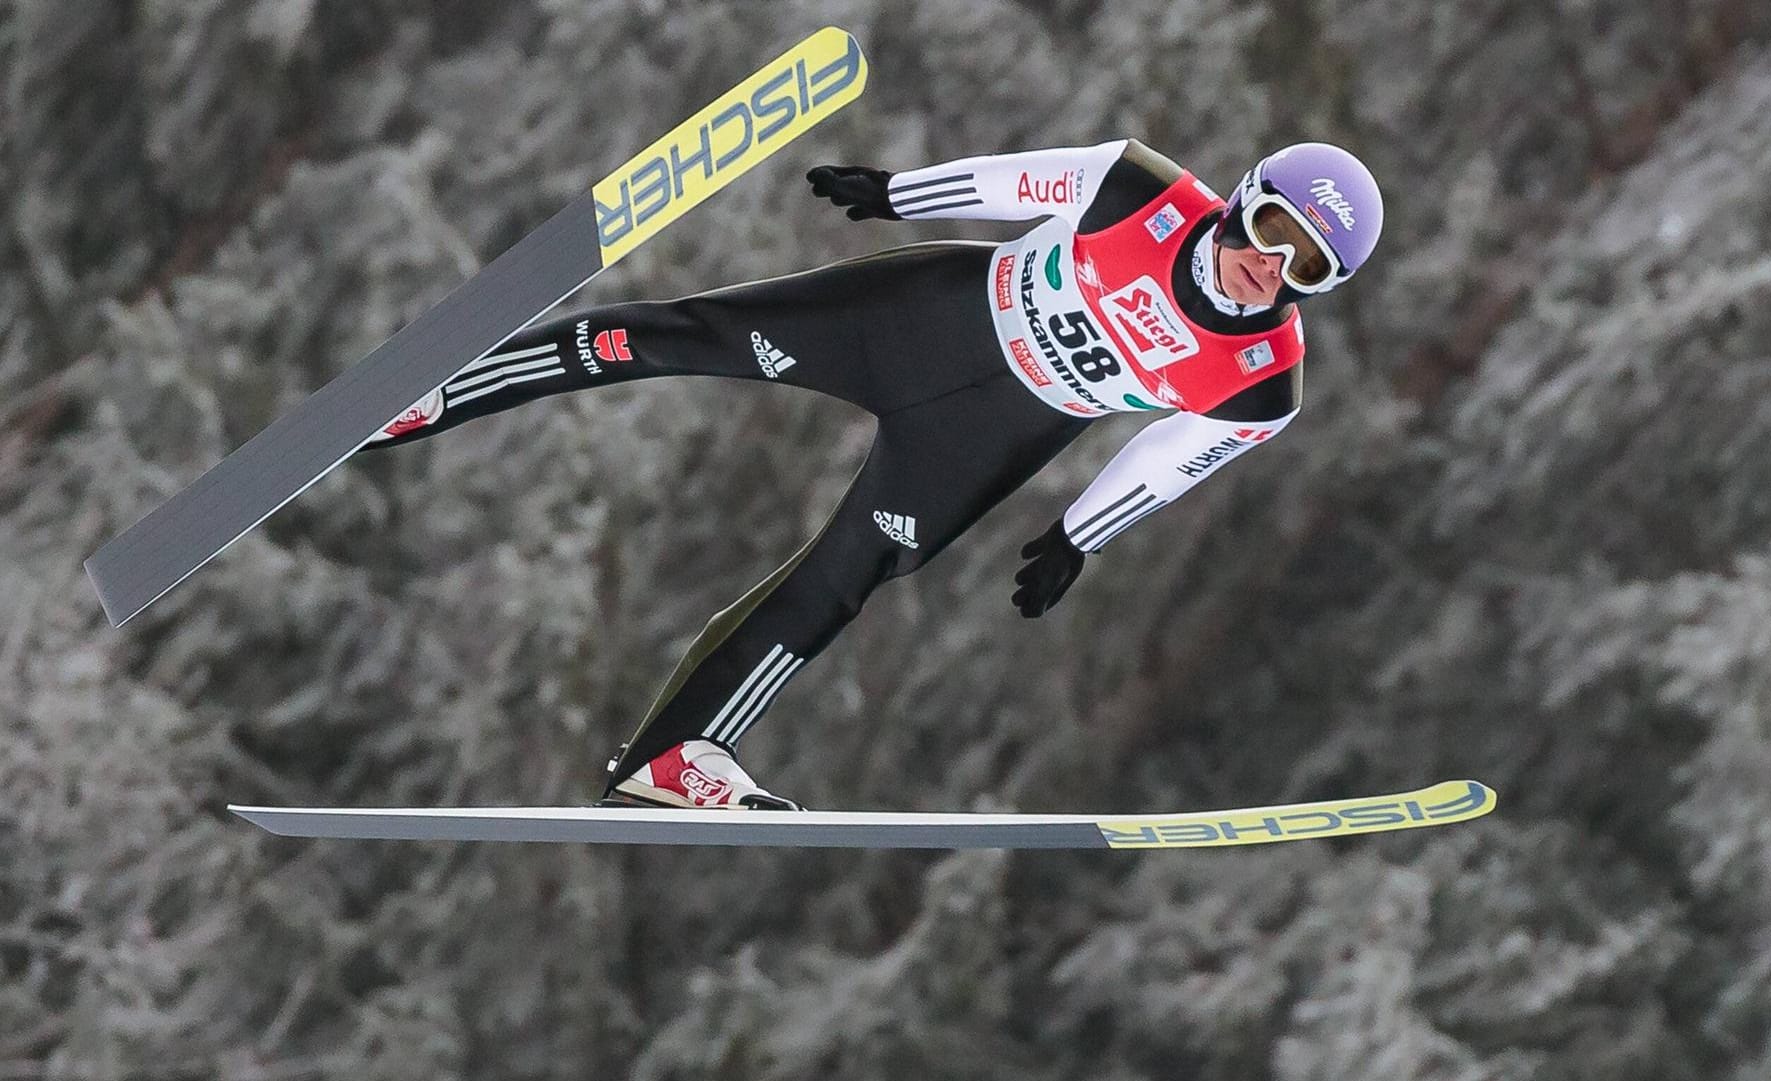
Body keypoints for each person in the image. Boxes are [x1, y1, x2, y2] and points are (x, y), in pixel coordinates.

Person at [360, 139, 1384, 810]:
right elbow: (1023, 184)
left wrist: (1081, 533)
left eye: (1306, 267)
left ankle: (674, 758)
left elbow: (1173, 456)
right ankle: (443, 391)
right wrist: (898, 193)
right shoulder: (1142, 191)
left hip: (990, 433)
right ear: (1244, 202)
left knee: (846, 576)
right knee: (690, 336)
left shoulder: (1263, 383)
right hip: (924, 322)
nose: (1270, 266)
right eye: (1272, 232)